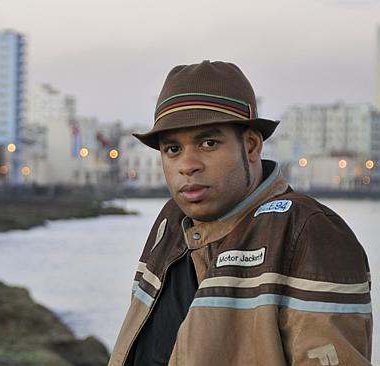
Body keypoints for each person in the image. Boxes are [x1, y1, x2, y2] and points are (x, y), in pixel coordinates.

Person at [109, 60, 372, 366]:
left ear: (251, 146)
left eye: (208, 143)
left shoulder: (307, 232)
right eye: (172, 149)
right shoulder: (172, 220)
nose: (187, 164)